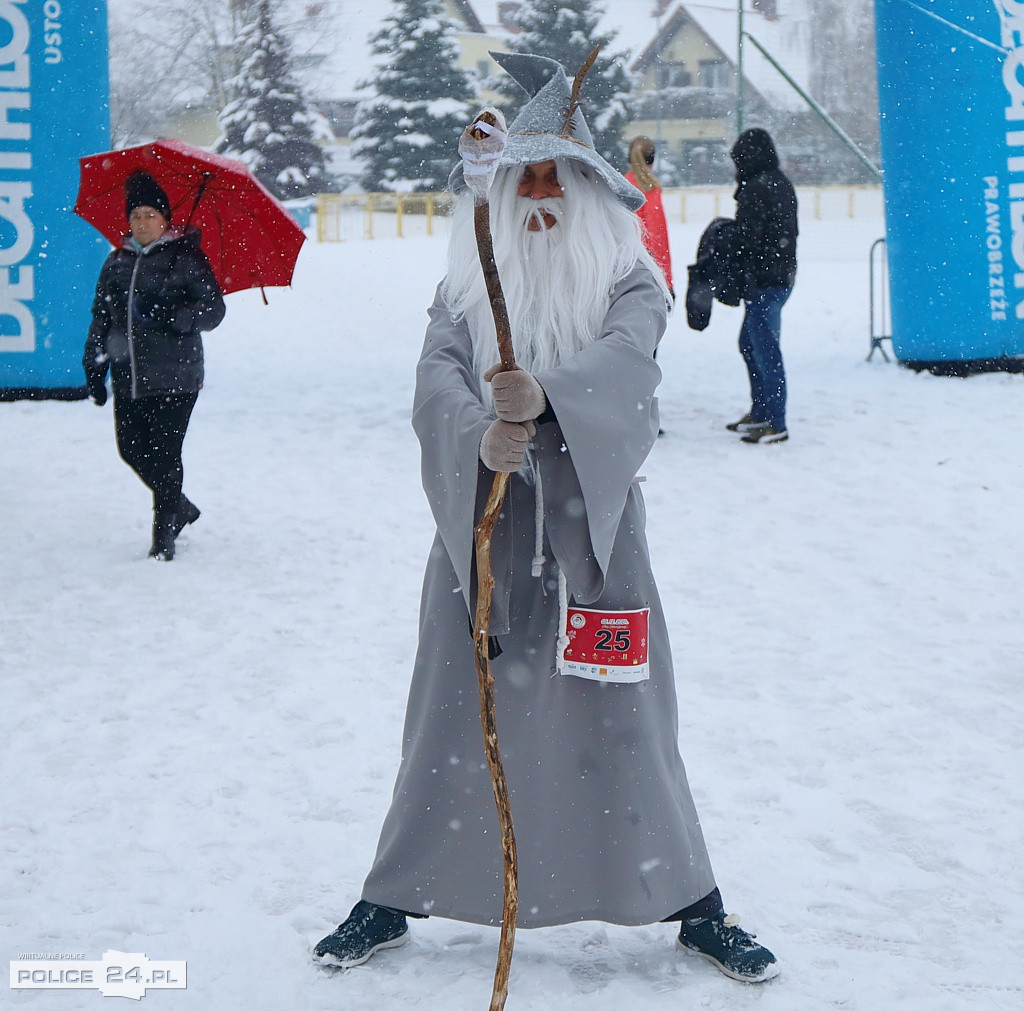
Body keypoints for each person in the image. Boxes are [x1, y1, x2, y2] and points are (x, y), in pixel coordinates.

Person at [313, 52, 779, 986]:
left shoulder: (629, 279)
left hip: (593, 541)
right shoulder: (463, 287)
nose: (536, 195)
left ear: (585, 187)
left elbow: (633, 364)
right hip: (477, 534)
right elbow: (434, 378)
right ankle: (396, 887)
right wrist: (478, 432)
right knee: (450, 713)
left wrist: (551, 400)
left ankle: (692, 900)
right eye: (521, 175)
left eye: (553, 175)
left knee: (626, 719)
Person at [82, 171, 225, 560]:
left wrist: (175, 314)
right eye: (135, 216)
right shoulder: (116, 261)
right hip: (129, 375)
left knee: (165, 454)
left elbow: (214, 311)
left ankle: (163, 536)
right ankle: (179, 506)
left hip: (176, 375)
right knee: (130, 448)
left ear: (165, 219)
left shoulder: (187, 257)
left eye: (149, 215)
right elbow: (101, 315)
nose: (141, 223)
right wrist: (93, 364)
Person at [724, 127, 798, 445]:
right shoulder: (777, 182)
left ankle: (775, 421)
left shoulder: (759, 187)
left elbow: (752, 237)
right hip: (776, 278)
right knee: (751, 344)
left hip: (767, 281)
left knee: (764, 349)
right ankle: (761, 412)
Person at [625, 135, 673, 298]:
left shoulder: (622, 186)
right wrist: (666, 283)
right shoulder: (649, 190)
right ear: (652, 160)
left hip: (624, 267)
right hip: (647, 270)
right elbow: (657, 238)